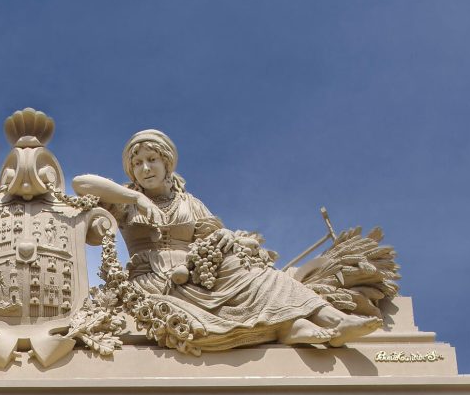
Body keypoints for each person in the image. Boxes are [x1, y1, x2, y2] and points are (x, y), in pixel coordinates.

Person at [72, 129, 380, 349]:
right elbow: (80, 183)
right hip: (151, 279)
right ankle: (292, 326)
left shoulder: (190, 203)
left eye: (152, 159)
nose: (145, 168)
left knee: (265, 277)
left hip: (193, 275)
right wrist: (134, 199)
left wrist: (226, 239)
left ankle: (327, 321)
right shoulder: (125, 204)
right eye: (137, 164)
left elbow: (210, 239)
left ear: (167, 163)